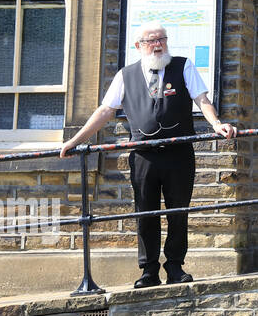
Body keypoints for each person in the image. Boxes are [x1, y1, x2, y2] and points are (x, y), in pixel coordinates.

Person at [62, 22, 237, 288]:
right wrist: (75, 141)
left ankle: (176, 267)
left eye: (162, 40)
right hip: (144, 155)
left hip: (178, 153)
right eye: (151, 41)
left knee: (178, 212)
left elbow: (202, 99)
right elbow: (105, 111)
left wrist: (216, 124)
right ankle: (149, 270)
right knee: (145, 213)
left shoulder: (183, 66)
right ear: (138, 46)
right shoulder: (126, 75)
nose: (158, 45)